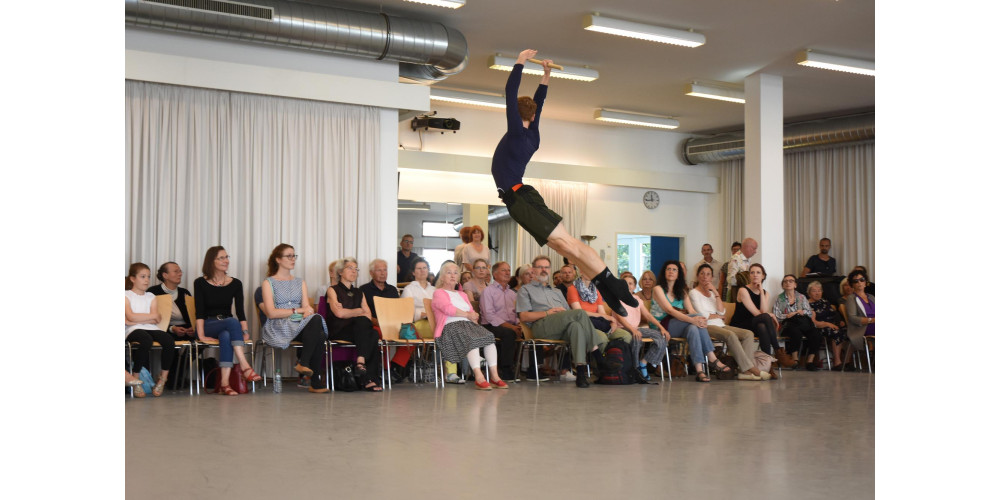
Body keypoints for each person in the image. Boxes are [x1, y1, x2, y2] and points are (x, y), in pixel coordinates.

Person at [490, 48, 637, 316]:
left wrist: (520, 61)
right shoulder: (532, 135)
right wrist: (545, 75)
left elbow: (511, 93)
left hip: (521, 198)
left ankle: (611, 282)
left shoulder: (516, 134)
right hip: (517, 202)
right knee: (562, 246)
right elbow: (538, 104)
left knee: (569, 244)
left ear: (517, 115)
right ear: (532, 116)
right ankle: (604, 285)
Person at [516, 255, 609, 388]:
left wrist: (561, 314)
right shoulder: (525, 290)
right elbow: (524, 316)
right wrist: (548, 312)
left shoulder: (557, 291)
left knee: (576, 326)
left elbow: (568, 313)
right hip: (540, 327)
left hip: (561, 327)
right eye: (540, 267)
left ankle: (580, 373)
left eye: (546, 267)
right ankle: (598, 356)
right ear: (533, 270)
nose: (544, 270)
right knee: (580, 313)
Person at [258, 244, 329, 393]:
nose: (293, 259)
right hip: (278, 326)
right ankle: (313, 379)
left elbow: (307, 307)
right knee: (319, 332)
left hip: (298, 323)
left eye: (294, 256)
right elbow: (271, 313)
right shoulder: (268, 283)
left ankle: (304, 364)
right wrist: (298, 310)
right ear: (278, 259)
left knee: (317, 324)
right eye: (288, 256)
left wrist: (307, 311)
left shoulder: (300, 282)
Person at [194, 246, 261, 396]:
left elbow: (240, 311)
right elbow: (199, 312)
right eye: (221, 258)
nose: (226, 261)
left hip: (227, 326)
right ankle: (245, 366)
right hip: (208, 325)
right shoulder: (200, 283)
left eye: (227, 257)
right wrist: (201, 335)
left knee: (226, 335)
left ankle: (224, 384)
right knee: (231, 322)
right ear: (211, 261)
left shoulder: (236, 283)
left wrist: (244, 331)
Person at [431, 263, 509, 390]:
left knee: (489, 338)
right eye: (449, 272)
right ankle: (479, 377)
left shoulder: (462, 294)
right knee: (472, 339)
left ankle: (495, 377)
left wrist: (474, 317)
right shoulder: (439, 293)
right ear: (442, 277)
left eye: (455, 273)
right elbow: (448, 309)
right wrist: (468, 315)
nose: (452, 275)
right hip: (450, 327)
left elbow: (471, 311)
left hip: (468, 325)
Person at [650, 261, 732, 382]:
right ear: (664, 272)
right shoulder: (658, 289)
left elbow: (692, 311)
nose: (671, 271)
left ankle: (699, 370)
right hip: (662, 325)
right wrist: (694, 319)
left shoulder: (682, 292)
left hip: (680, 323)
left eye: (674, 270)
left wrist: (697, 320)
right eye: (668, 269)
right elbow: (669, 310)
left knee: (693, 328)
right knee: (696, 320)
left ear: (678, 274)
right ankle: (712, 358)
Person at [688, 263, 765, 380]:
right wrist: (718, 316)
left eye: (708, 274)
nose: (705, 277)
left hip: (721, 324)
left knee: (748, 334)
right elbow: (702, 315)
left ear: (712, 278)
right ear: (698, 276)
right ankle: (749, 368)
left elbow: (722, 311)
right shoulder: (694, 292)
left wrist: (716, 293)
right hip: (706, 326)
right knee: (730, 335)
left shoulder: (712, 293)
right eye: (702, 274)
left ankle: (744, 371)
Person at [325, 257, 383, 392]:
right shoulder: (332, 290)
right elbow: (339, 314)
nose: (354, 271)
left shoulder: (359, 292)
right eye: (350, 268)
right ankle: (368, 377)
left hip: (358, 331)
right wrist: (358, 311)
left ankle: (363, 367)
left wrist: (349, 312)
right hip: (340, 329)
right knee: (368, 329)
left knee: (372, 332)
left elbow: (368, 316)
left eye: (356, 269)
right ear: (340, 272)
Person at [729, 263, 795, 370]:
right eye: (752, 272)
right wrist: (770, 315)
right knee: (765, 319)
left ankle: (767, 366)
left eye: (758, 272)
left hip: (754, 325)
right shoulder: (743, 290)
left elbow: (763, 312)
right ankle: (778, 351)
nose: (755, 275)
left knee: (762, 327)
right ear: (749, 276)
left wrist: (761, 292)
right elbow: (758, 314)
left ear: (763, 276)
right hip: (740, 325)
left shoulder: (765, 293)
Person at [125, 262, 176, 397]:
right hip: (132, 329)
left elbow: (157, 318)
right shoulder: (126, 295)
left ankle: (163, 378)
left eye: (148, 276)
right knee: (145, 340)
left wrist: (135, 319)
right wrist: (145, 318)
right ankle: (136, 379)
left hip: (149, 327)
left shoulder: (151, 296)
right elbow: (130, 316)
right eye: (142, 277)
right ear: (133, 278)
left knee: (169, 340)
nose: (146, 280)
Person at [611, 274, 669, 381]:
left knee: (663, 336)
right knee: (637, 337)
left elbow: (648, 315)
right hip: (622, 328)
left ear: (634, 287)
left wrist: (661, 328)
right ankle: (635, 368)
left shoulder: (637, 299)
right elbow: (621, 319)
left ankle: (643, 362)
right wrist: (633, 330)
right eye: (625, 283)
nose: (627, 286)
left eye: (630, 283)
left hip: (636, 328)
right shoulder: (616, 299)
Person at [479, 261, 522, 381]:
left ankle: (534, 370)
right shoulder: (488, 291)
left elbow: (517, 312)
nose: (507, 273)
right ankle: (506, 369)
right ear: (495, 274)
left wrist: (519, 324)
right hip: (490, 325)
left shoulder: (512, 293)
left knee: (531, 331)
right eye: (504, 270)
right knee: (509, 333)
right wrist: (511, 327)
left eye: (509, 270)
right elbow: (489, 315)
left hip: (511, 325)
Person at [774, 274, 824, 371]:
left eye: (791, 281)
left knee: (816, 334)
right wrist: (788, 315)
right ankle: (795, 360)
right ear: (783, 285)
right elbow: (777, 315)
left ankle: (810, 361)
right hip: (788, 324)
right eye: (785, 281)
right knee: (795, 331)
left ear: (795, 285)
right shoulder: (779, 299)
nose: (788, 283)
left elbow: (809, 312)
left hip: (803, 322)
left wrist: (799, 312)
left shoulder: (801, 297)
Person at [807, 281, 848, 370]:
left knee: (846, 330)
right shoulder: (807, 305)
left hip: (831, 325)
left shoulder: (825, 302)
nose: (817, 293)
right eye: (814, 291)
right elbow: (813, 323)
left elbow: (834, 314)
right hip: (818, 327)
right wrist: (828, 324)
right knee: (836, 332)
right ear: (809, 293)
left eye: (819, 290)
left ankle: (847, 361)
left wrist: (840, 321)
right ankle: (837, 362)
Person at [149, 262, 194, 342]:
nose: (180, 274)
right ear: (165, 275)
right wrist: (172, 329)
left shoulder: (184, 292)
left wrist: (192, 328)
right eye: (176, 271)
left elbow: (192, 316)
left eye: (180, 271)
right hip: (164, 331)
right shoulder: (153, 292)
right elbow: (150, 320)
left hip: (186, 331)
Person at [843, 269, 874, 366]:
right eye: (856, 281)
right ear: (852, 285)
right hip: (861, 328)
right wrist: (871, 320)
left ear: (865, 282)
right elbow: (853, 318)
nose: (859, 282)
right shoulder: (851, 298)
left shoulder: (871, 297)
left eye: (862, 280)